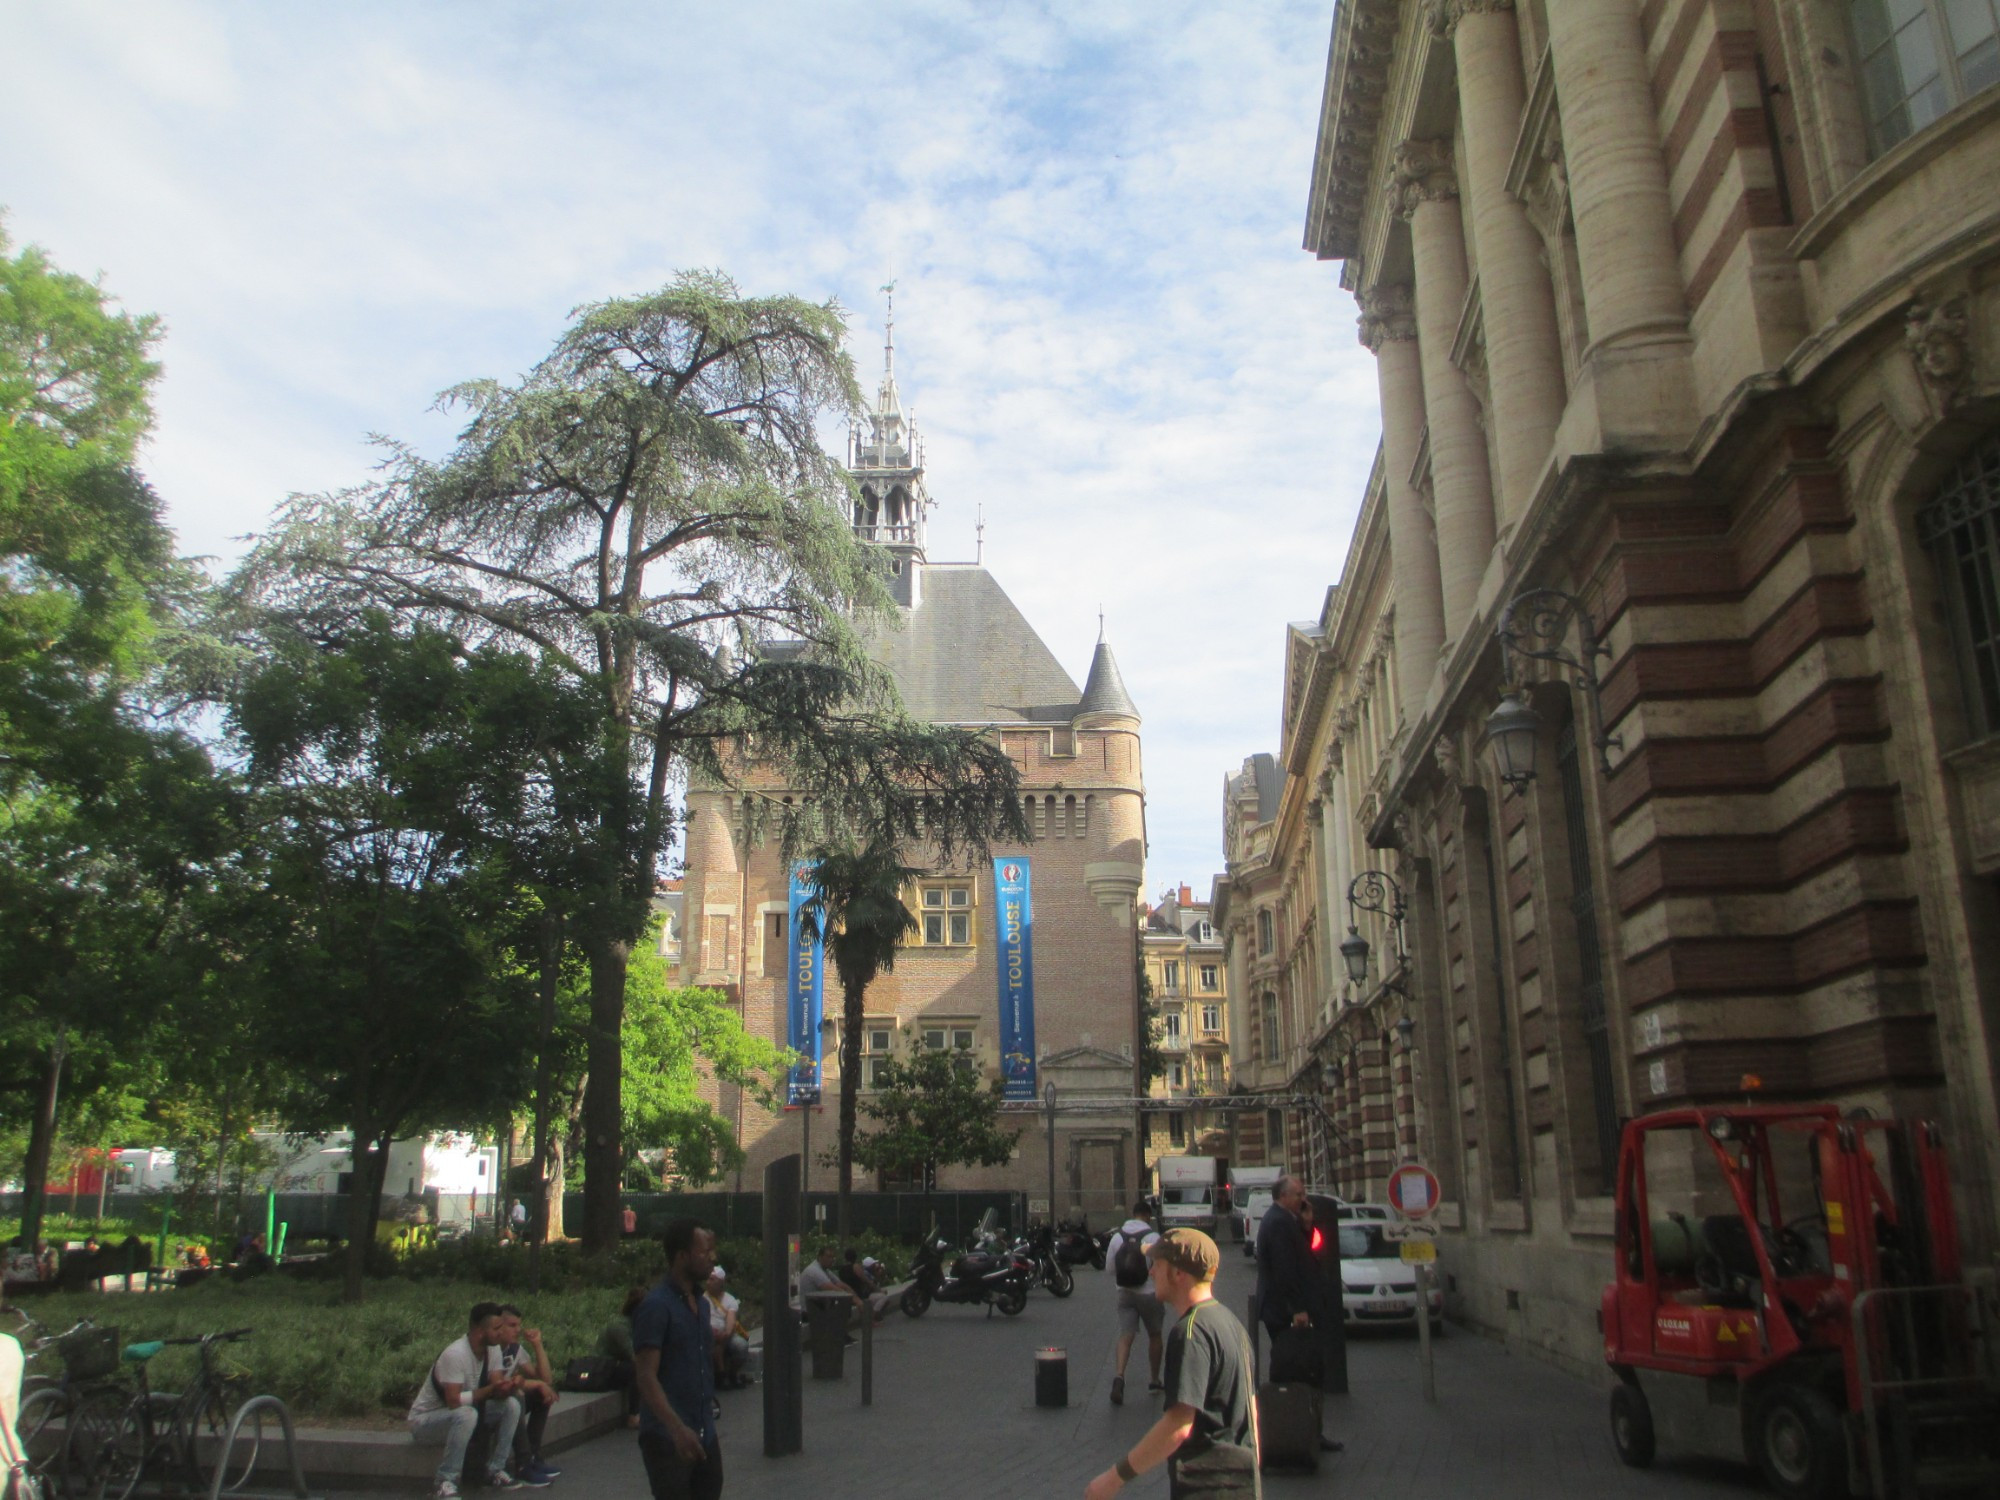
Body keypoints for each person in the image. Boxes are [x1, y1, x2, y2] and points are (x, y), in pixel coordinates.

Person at [1084, 1229, 1259, 1500]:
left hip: (1206, 1486)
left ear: (1178, 1273)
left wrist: (1114, 1478)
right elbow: (1253, 1413)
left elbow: (1178, 1425)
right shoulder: (1231, 1324)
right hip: (1239, 1484)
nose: (1151, 1272)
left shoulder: (1190, 1332)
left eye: (1157, 1264)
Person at [407, 1301, 537, 1499]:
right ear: (479, 1331)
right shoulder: (455, 1354)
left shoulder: (492, 1349)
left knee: (511, 1405)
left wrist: (508, 1387)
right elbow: (453, 1401)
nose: (500, 1333)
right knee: (467, 1414)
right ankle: (445, 1481)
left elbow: (496, 1387)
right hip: (425, 1422)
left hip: (461, 1415)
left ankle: (495, 1470)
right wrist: (491, 1389)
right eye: (496, 1328)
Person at [633, 1219, 723, 1500]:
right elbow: (646, 1376)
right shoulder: (657, 1306)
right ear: (682, 1256)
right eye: (704, 1251)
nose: (712, 1258)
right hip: (667, 1436)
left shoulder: (703, 1305)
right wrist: (676, 1428)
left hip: (703, 1430)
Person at [490, 1304, 561, 1484]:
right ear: (499, 1326)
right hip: (492, 1404)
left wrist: (537, 1344)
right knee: (517, 1397)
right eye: (512, 1326)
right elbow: (495, 1386)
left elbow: (545, 1379)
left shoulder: (515, 1349)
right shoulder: (492, 1349)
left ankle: (534, 1455)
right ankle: (523, 1463)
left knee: (543, 1394)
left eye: (519, 1325)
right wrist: (535, 1383)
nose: (518, 1330)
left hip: (508, 1400)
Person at [1105, 1201, 1163, 1406]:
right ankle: (1154, 1380)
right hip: (1148, 1293)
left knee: (1125, 1335)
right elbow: (1158, 1268)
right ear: (1148, 1216)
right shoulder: (1153, 1237)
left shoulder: (1117, 1237)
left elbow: (1110, 1269)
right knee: (1155, 1334)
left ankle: (1119, 1376)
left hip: (1124, 1293)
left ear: (1132, 1214)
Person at [798, 1243, 883, 1325]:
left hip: (818, 1308)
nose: (831, 1259)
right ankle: (839, 1336)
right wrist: (856, 1301)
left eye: (833, 1257)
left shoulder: (826, 1270)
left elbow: (842, 1285)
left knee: (844, 1306)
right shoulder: (814, 1271)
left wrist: (858, 1300)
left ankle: (842, 1335)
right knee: (841, 1306)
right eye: (828, 1256)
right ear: (820, 1257)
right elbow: (834, 1289)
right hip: (806, 1312)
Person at [600, 1286, 649, 1428]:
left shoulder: (637, 1324)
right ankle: (633, 1415)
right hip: (605, 1369)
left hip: (620, 1365)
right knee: (637, 1369)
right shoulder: (619, 1326)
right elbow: (633, 1355)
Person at [703, 1268, 750, 1388]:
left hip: (725, 1334)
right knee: (713, 1340)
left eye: (712, 1279)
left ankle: (731, 1374)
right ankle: (720, 1374)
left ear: (720, 1282)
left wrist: (726, 1333)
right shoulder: (702, 1299)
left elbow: (731, 1320)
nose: (708, 1282)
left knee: (741, 1346)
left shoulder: (729, 1300)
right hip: (707, 1334)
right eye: (708, 1279)